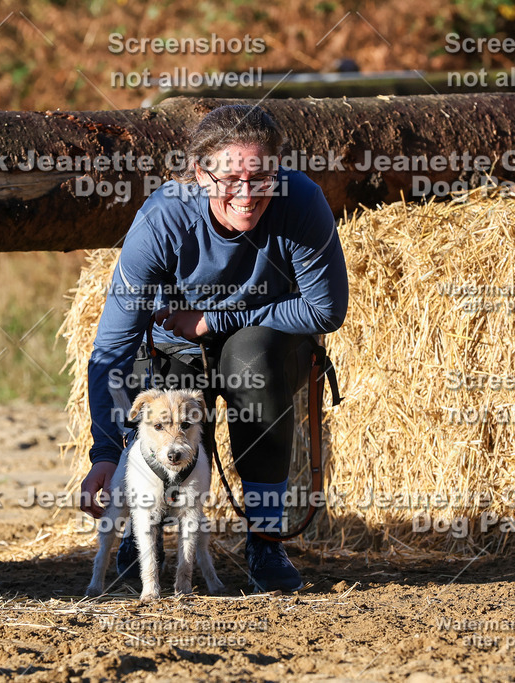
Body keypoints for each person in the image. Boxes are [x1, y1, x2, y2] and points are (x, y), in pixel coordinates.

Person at [79, 104, 348, 593]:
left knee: (251, 359)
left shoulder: (302, 202)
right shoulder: (161, 223)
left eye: (261, 176)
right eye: (230, 178)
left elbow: (325, 311)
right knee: (172, 399)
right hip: (176, 346)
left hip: (267, 341)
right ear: (201, 172)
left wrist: (215, 320)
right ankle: (149, 534)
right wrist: (102, 451)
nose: (247, 194)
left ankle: (266, 541)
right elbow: (112, 349)